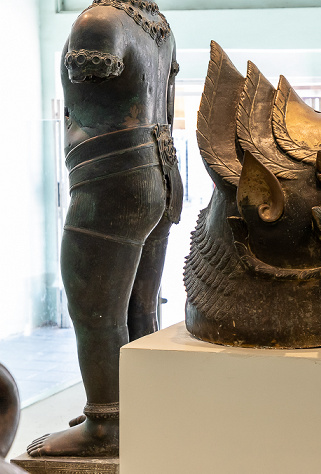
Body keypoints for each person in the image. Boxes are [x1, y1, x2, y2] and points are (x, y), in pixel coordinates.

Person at [27, 0, 182, 457]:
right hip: (160, 172)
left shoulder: (99, 23)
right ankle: (136, 406)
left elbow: (91, 92)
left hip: (110, 179)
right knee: (138, 308)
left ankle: (106, 425)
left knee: (95, 312)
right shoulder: (157, 25)